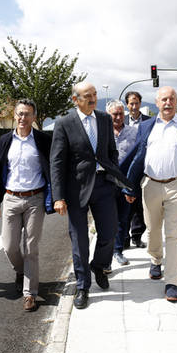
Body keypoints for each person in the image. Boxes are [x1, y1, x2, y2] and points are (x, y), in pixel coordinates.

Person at [50, 82, 131, 309]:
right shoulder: (65, 123)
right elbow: (56, 162)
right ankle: (83, 285)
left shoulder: (104, 119)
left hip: (104, 186)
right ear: (76, 100)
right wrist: (58, 196)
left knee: (110, 231)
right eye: (88, 96)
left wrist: (115, 179)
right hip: (76, 190)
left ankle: (99, 265)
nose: (93, 99)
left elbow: (111, 152)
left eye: (95, 95)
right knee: (80, 241)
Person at [124, 86, 177, 302]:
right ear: (157, 103)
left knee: (174, 234)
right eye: (164, 99)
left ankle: (172, 282)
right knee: (152, 230)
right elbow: (138, 157)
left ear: (176, 103)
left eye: (172, 99)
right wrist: (130, 187)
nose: (168, 103)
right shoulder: (146, 126)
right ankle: (156, 259)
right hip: (150, 185)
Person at [0, 99, 52, 312]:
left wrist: (56, 197)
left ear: (34, 117)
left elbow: (52, 168)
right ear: (14, 115)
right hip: (10, 198)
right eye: (19, 114)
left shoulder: (43, 140)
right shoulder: (5, 139)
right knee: (9, 245)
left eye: (27, 114)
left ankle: (30, 293)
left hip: (35, 198)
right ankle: (21, 270)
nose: (22, 118)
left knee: (31, 248)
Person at [106, 99, 138, 268]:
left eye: (121, 114)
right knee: (106, 219)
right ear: (108, 115)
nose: (118, 117)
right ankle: (105, 254)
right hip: (105, 183)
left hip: (126, 183)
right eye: (115, 114)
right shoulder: (102, 133)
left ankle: (117, 251)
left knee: (122, 219)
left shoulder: (134, 133)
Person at [125, 91, 150, 248]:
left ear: (140, 103)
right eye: (131, 103)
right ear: (127, 105)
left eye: (136, 103)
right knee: (125, 204)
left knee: (140, 205)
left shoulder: (149, 121)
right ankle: (124, 238)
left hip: (143, 168)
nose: (134, 106)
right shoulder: (121, 120)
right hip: (125, 169)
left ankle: (137, 236)